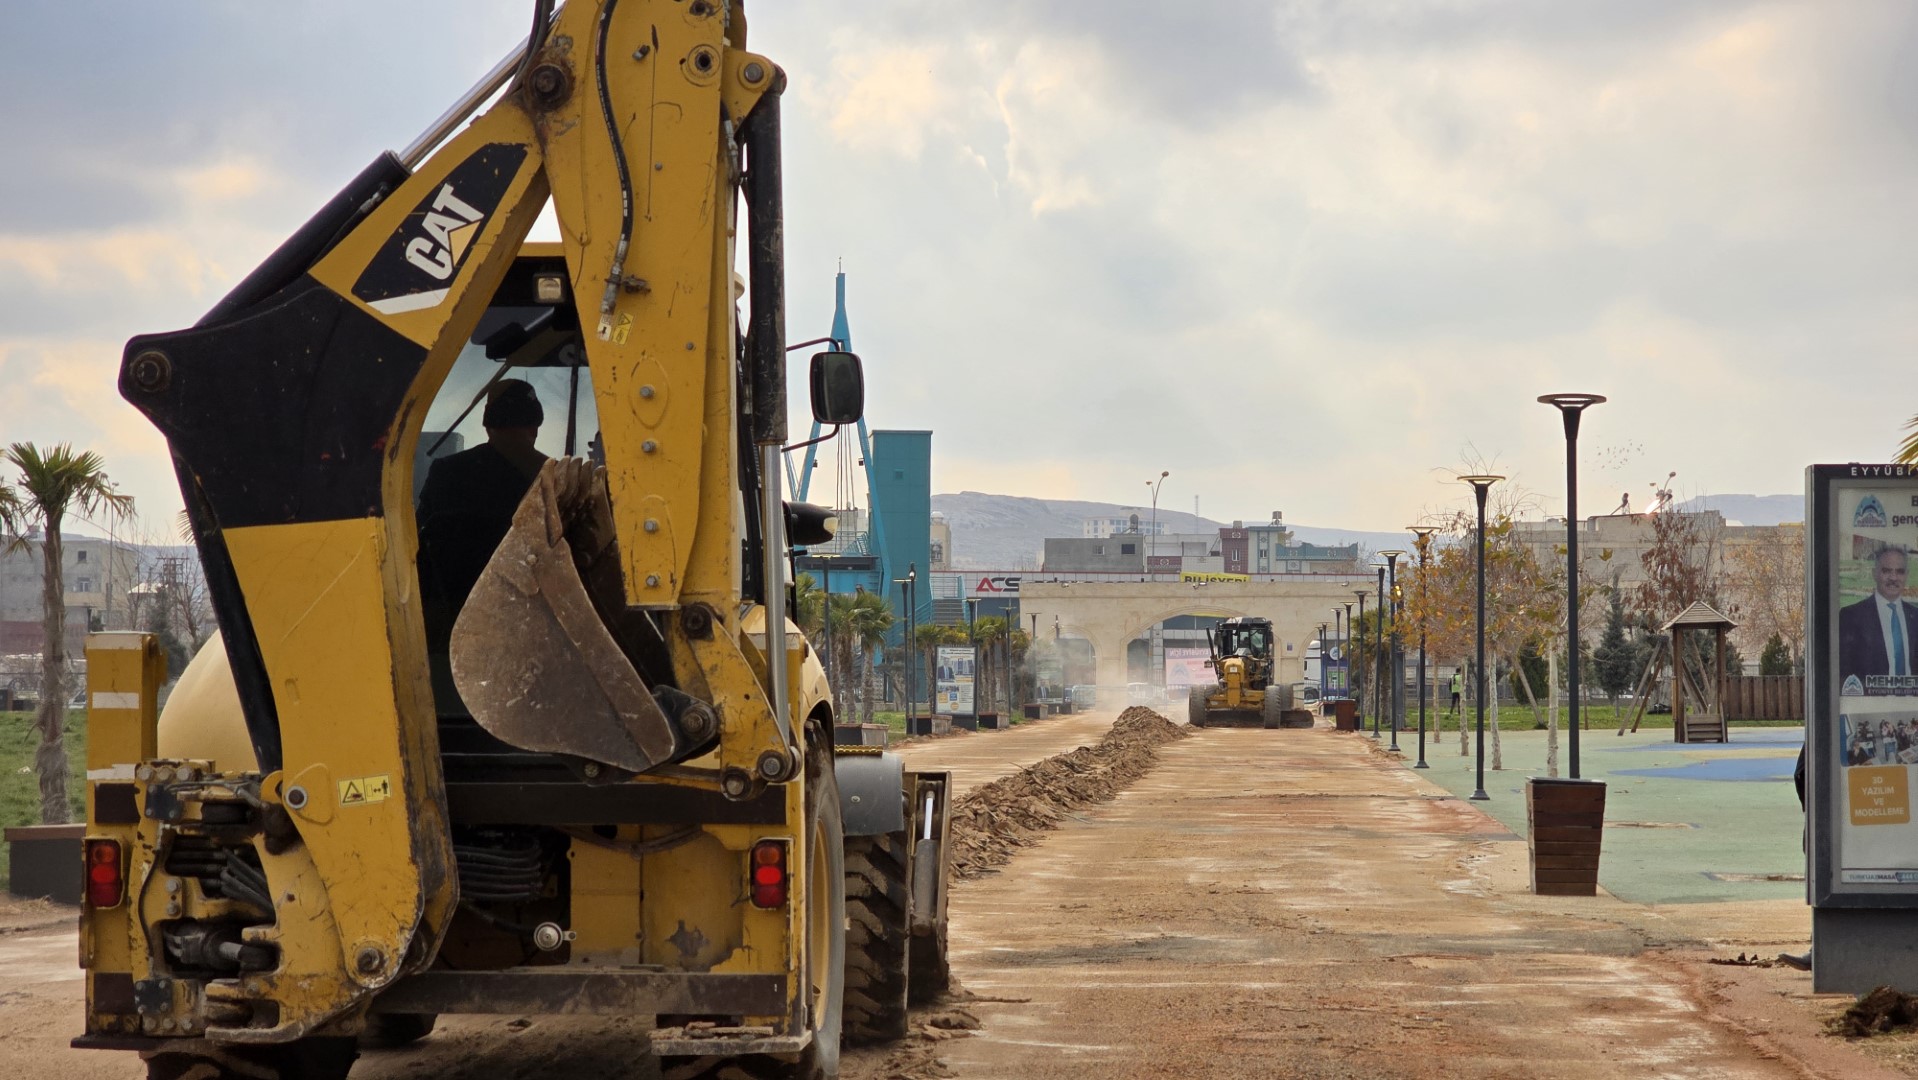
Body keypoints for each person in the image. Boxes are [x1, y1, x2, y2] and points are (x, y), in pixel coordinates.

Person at [416, 379, 550, 645]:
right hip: (533, 629)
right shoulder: (553, 479)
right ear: (535, 428)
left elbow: (417, 539)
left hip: (449, 631)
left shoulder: (445, 473)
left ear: (488, 426)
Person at [1838, 546, 1918, 686]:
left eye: (1899, 572)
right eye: (1886, 571)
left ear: (1906, 575)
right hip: (1872, 705)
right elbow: (1843, 673)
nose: (1893, 577)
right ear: (1874, 573)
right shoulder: (1850, 617)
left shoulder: (1915, 617)